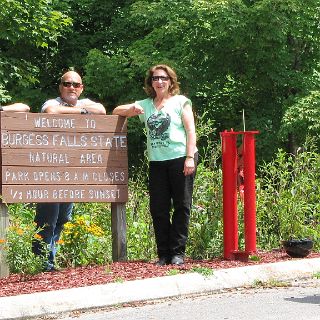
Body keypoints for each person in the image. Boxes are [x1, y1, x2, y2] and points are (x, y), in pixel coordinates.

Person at [113, 64, 197, 266]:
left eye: (163, 78)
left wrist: (190, 157)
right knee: (158, 208)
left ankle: (177, 253)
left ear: (171, 81)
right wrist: (132, 109)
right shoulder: (147, 104)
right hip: (157, 162)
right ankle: (163, 254)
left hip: (180, 158)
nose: (159, 82)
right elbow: (117, 110)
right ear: (150, 83)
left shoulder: (180, 102)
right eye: (155, 79)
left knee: (181, 206)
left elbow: (191, 131)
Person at [33, 70, 106, 271]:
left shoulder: (84, 102)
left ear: (81, 88)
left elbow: (101, 111)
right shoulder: (52, 102)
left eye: (76, 84)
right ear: (60, 87)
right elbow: (51, 112)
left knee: (63, 218)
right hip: (49, 172)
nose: (71, 87)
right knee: (47, 218)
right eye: (67, 84)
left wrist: (80, 107)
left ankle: (49, 261)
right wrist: (81, 112)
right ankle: (42, 263)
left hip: (70, 173)